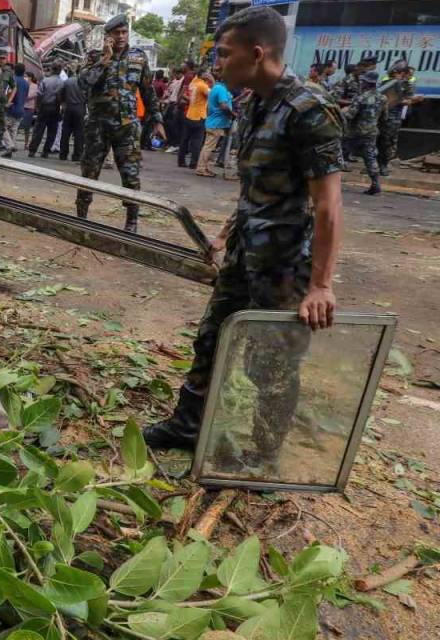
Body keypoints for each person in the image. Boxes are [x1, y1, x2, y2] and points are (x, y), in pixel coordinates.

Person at [144, 6, 345, 463]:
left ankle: (265, 453)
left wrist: (321, 285)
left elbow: (328, 205)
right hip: (243, 253)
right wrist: (223, 234)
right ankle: (188, 425)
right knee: (212, 337)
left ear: (257, 53)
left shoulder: (309, 109)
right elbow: (255, 189)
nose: (217, 63)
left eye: (223, 54)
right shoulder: (253, 104)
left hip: (284, 265)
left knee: (270, 362)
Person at [75, 15, 165, 232]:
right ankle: (81, 219)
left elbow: (148, 91)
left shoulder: (138, 57)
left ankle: (131, 222)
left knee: (131, 175)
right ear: (108, 36)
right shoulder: (94, 56)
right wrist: (104, 61)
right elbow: (83, 84)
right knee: (89, 173)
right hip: (97, 126)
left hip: (127, 127)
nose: (122, 36)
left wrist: (157, 119)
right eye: (117, 33)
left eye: (124, 32)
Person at [342, 71, 384, 195]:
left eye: (363, 81)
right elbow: (385, 116)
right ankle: (375, 184)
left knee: (339, 154)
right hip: (371, 132)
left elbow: (350, 115)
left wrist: (343, 111)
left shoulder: (361, 98)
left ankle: (329, 183)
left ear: (366, 83)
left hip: (355, 132)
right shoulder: (383, 98)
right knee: (370, 158)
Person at [377, 60, 419, 177]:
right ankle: (377, 165)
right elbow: (386, 99)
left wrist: (410, 100)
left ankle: (383, 165)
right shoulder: (387, 83)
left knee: (389, 141)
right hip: (382, 116)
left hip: (393, 118)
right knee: (380, 141)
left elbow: (406, 99)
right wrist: (410, 100)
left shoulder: (405, 84)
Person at [197, 70, 232, 177]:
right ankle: (201, 168)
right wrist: (232, 114)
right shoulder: (221, 89)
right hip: (216, 123)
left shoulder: (216, 88)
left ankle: (204, 168)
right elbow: (223, 105)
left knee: (208, 146)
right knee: (208, 147)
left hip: (213, 122)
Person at [28, 61, 64, 158]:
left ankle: (32, 150)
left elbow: (39, 94)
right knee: (52, 131)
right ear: (60, 71)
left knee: (38, 130)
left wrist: (38, 106)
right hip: (55, 108)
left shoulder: (45, 81)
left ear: (51, 69)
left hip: (44, 107)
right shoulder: (62, 83)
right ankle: (46, 152)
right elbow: (61, 98)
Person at [179, 68, 210, 169]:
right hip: (199, 116)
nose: (208, 75)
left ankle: (181, 161)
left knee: (185, 139)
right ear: (202, 75)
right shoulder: (202, 85)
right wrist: (212, 81)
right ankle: (193, 163)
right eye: (206, 73)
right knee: (197, 141)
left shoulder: (193, 83)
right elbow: (212, 95)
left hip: (189, 114)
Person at [59, 65, 85, 161]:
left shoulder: (67, 82)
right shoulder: (84, 82)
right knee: (79, 133)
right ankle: (77, 155)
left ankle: (63, 154)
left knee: (65, 132)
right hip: (80, 108)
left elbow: (60, 95)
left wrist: (63, 103)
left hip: (68, 108)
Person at [5, 62, 29, 155]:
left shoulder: (12, 80)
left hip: (11, 108)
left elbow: (8, 93)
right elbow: (25, 96)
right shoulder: (26, 83)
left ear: (14, 70)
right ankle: (10, 149)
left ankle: (10, 146)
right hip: (21, 109)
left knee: (2, 127)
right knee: (13, 130)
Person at [18, 72, 38, 149]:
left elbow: (29, 96)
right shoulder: (23, 84)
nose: (25, 78)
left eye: (26, 76)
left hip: (30, 108)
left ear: (31, 77)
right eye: (24, 76)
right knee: (18, 125)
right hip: (22, 107)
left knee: (27, 127)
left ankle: (26, 144)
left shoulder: (35, 86)